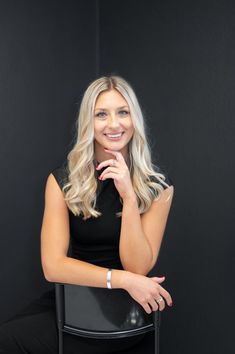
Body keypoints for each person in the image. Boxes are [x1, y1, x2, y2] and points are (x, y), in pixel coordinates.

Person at [0, 75, 174, 354]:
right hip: (74, 298)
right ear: (88, 123)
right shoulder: (62, 182)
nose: (114, 124)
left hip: (123, 311)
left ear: (134, 120)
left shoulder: (159, 189)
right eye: (101, 114)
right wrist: (122, 280)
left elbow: (138, 268)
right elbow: (53, 266)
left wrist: (129, 197)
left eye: (123, 112)